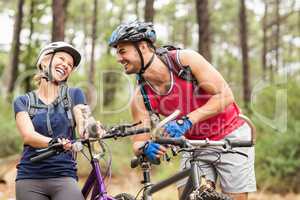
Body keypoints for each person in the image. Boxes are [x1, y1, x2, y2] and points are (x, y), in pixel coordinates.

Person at [108, 21, 256, 200]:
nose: (118, 58)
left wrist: (187, 120)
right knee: (189, 195)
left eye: (122, 51)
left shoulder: (184, 60)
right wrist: (147, 148)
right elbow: (138, 142)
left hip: (230, 136)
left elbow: (225, 96)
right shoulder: (141, 96)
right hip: (192, 144)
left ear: (143, 47)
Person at [13, 42, 104, 200]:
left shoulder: (74, 95)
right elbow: (28, 135)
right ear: (45, 61)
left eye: (70, 64)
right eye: (61, 59)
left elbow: (83, 120)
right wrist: (54, 142)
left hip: (63, 175)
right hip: (29, 176)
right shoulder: (23, 101)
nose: (66, 65)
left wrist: (91, 128)